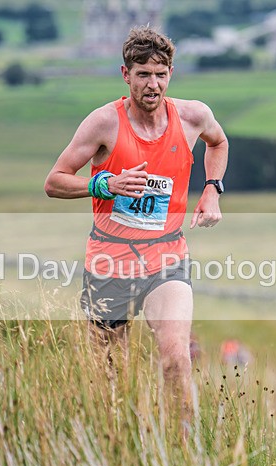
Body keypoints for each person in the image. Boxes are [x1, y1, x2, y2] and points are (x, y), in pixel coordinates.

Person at [44, 26, 228, 427]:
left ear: (171, 74)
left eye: (160, 74)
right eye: (143, 74)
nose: (152, 84)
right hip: (110, 261)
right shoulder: (103, 124)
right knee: (111, 379)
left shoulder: (194, 116)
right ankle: (122, 459)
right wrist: (103, 184)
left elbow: (219, 143)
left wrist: (212, 189)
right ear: (125, 74)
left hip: (167, 257)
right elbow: (54, 181)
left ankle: (186, 462)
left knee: (176, 356)